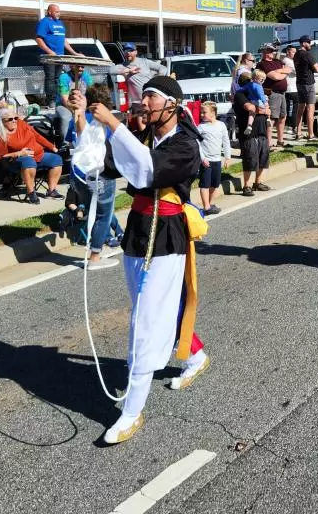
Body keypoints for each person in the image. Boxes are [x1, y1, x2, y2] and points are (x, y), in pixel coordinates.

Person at [82, 75, 209, 444]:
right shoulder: (146, 138)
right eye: (144, 98)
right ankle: (194, 357)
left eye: (150, 98)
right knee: (153, 309)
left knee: (144, 320)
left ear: (172, 104)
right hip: (138, 230)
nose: (144, 104)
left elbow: (148, 170)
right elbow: (106, 164)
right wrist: (83, 120)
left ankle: (131, 413)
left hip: (166, 236)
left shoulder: (185, 145)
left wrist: (113, 123)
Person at [66, 84, 122, 271]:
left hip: (79, 176)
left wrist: (80, 113)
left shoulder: (77, 119)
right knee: (103, 215)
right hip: (100, 173)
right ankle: (95, 255)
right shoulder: (104, 118)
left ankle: (100, 246)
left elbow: (76, 138)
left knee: (97, 212)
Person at [0, 108, 63, 204]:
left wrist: (52, 147)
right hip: (16, 161)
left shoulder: (21, 123)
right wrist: (19, 153)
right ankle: (31, 192)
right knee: (28, 162)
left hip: (38, 155)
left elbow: (37, 136)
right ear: (2, 121)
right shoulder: (0, 136)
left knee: (56, 159)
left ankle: (51, 191)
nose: (14, 120)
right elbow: (1, 156)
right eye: (10, 119)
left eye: (15, 118)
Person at [233, 72, 271, 196]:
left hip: (261, 129)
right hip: (248, 133)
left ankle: (257, 182)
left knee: (262, 157)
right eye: (248, 80)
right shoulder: (240, 94)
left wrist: (265, 109)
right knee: (250, 158)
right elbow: (251, 108)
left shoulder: (256, 92)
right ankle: (246, 185)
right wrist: (263, 109)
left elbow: (268, 109)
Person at [35, 4, 78, 108]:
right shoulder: (44, 22)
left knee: (58, 78)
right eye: (56, 11)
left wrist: (74, 53)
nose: (59, 13)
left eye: (59, 11)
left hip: (60, 57)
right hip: (49, 57)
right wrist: (49, 51)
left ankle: (59, 99)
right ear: (50, 12)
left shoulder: (59, 23)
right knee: (50, 78)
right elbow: (38, 39)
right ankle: (51, 101)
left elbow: (63, 40)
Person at [196, 101, 230, 215]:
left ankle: (209, 204)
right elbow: (196, 143)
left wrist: (227, 157)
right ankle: (206, 207)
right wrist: (202, 158)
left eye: (204, 112)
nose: (201, 115)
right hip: (206, 161)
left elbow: (226, 141)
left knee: (215, 185)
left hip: (217, 160)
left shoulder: (221, 125)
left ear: (213, 113)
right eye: (201, 112)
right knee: (205, 184)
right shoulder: (201, 127)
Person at [255, 45, 291, 150]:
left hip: (282, 93)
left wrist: (280, 72)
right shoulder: (262, 64)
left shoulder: (277, 62)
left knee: (282, 117)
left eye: (273, 51)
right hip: (272, 93)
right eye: (270, 51)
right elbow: (275, 77)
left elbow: (288, 69)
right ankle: (268, 144)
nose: (272, 53)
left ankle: (280, 141)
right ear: (265, 52)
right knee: (271, 119)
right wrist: (281, 73)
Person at [56, 63, 93, 144]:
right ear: (70, 66)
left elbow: (92, 94)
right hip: (64, 105)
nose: (80, 68)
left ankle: (87, 140)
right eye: (78, 66)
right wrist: (75, 111)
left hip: (82, 105)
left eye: (82, 66)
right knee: (66, 118)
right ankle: (66, 143)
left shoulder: (86, 76)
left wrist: (83, 109)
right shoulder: (64, 77)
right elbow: (65, 100)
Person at [293, 36, 318, 142]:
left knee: (300, 108)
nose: (310, 44)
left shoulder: (296, 54)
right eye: (309, 42)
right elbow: (317, 69)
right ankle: (311, 134)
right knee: (310, 109)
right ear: (303, 43)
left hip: (299, 82)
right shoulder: (306, 54)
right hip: (308, 83)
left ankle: (298, 133)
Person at [116, 42, 157, 107]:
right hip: (135, 102)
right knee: (139, 116)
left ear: (136, 52)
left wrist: (157, 77)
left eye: (131, 50)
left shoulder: (144, 62)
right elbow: (111, 70)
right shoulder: (122, 65)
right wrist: (129, 71)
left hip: (149, 99)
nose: (128, 53)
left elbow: (162, 68)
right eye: (126, 50)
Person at [238, 69, 268, 138]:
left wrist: (236, 91)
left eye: (264, 80)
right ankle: (268, 118)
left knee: (251, 113)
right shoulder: (259, 86)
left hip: (251, 101)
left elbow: (242, 89)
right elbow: (261, 95)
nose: (263, 82)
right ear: (255, 78)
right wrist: (265, 102)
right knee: (267, 109)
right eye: (262, 80)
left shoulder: (249, 84)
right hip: (258, 101)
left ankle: (249, 125)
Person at [282, 44, 299, 134]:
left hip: (293, 87)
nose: (295, 54)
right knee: (293, 108)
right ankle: (291, 126)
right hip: (291, 88)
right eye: (293, 52)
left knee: (291, 107)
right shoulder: (287, 61)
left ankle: (291, 125)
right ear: (288, 52)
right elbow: (297, 71)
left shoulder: (290, 60)